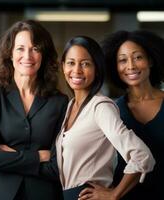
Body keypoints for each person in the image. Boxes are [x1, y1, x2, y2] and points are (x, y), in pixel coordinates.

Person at [56, 36, 155, 200]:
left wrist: (114, 194)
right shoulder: (70, 106)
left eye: (86, 64)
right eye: (71, 63)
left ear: (97, 69)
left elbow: (141, 155)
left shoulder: (101, 107)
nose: (77, 70)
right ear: (63, 67)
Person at [0, 19, 68, 200]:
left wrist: (12, 157)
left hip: (44, 194)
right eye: (20, 48)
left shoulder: (59, 101)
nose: (27, 56)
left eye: (35, 48)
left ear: (44, 55)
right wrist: (37, 156)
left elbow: (58, 164)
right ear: (10, 54)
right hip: (1, 194)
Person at [102, 30, 164, 199]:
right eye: (122, 60)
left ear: (150, 60)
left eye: (138, 57)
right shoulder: (111, 110)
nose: (131, 66)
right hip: (126, 195)